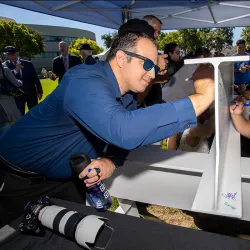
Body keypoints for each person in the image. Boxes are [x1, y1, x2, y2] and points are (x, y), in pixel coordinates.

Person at [0, 31, 214, 226]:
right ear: (122, 58)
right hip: (15, 180)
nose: (152, 74)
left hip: (65, 181)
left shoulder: (127, 98)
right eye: (148, 65)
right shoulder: (84, 81)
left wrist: (111, 160)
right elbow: (124, 130)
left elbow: (119, 138)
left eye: (155, 68)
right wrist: (200, 99)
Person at [3, 46, 43, 115]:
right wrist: (16, 70)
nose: (11, 57)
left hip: (31, 93)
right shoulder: (5, 66)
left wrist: (39, 91)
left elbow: (35, 78)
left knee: (35, 112)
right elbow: (6, 78)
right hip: (17, 95)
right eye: (9, 55)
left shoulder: (28, 63)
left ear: (16, 54)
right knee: (20, 114)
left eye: (13, 54)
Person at [0, 60, 23, 125]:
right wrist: (21, 82)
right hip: (7, 99)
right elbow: (17, 83)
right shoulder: (5, 70)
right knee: (14, 120)